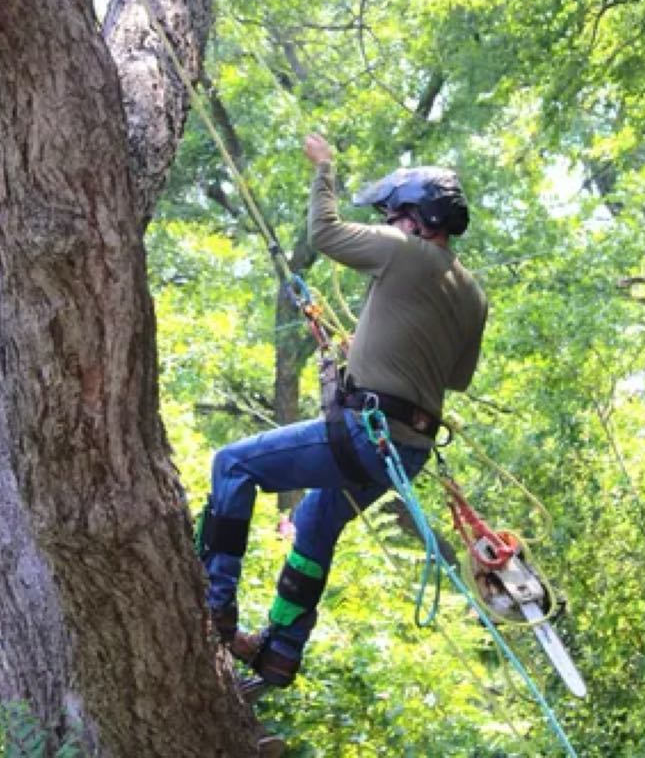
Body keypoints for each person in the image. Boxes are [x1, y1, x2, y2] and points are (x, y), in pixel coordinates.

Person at [196, 133, 488, 688]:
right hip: (407, 451)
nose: (389, 226)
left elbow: (324, 232)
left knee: (233, 465)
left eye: (394, 216)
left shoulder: (404, 251)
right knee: (313, 523)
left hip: (364, 434)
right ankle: (280, 651)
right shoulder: (473, 293)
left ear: (418, 220)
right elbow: (457, 378)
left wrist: (324, 169)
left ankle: (215, 604)